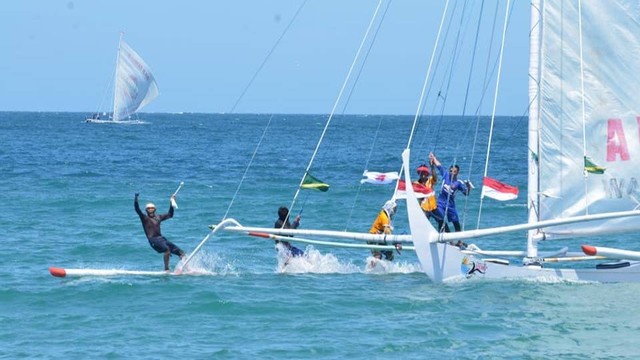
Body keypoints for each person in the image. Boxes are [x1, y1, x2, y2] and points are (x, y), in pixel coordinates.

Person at [134, 193, 185, 271]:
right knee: (167, 250)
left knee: (181, 253)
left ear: (155, 209)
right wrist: (136, 198)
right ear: (146, 210)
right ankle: (166, 269)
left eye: (152, 208)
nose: (150, 209)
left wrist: (171, 202)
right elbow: (137, 210)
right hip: (153, 240)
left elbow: (170, 215)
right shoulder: (144, 218)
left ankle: (186, 267)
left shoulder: (159, 217)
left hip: (161, 239)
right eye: (148, 208)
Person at [432, 154, 471, 232]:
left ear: (457, 173)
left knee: (456, 223)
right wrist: (433, 158)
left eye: (454, 172)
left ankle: (459, 240)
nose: (451, 173)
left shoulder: (458, 183)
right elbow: (439, 165)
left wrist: (468, 186)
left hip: (451, 206)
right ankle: (444, 238)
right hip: (440, 203)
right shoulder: (445, 175)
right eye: (450, 171)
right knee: (441, 219)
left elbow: (466, 193)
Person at [415, 152, 440, 219]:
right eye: (421, 173)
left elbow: (435, 177)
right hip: (423, 208)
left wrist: (432, 166)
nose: (423, 175)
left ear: (427, 174)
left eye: (424, 173)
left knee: (441, 220)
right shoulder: (416, 184)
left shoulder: (430, 180)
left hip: (433, 206)